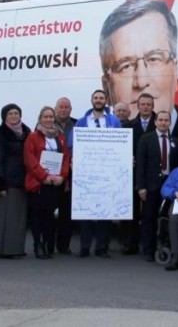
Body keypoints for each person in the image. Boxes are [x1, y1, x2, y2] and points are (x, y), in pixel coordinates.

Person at [98, 0, 178, 122]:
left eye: (153, 59)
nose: (141, 82)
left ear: (175, 71)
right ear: (106, 87)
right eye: (125, 66)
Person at [74, 90, 122, 258]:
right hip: (86, 173)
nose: (99, 100)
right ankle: (85, 247)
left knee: (105, 211)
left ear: (106, 101)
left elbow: (120, 144)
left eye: (101, 98)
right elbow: (74, 145)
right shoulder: (81, 122)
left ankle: (102, 248)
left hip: (108, 172)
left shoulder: (114, 121)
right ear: (91, 100)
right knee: (85, 211)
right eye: (96, 98)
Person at [24, 106, 70, 259]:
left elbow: (65, 158)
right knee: (38, 217)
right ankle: (38, 245)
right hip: (39, 183)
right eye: (46, 117)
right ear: (40, 119)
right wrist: (44, 176)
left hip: (54, 183)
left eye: (51, 117)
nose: (49, 119)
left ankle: (48, 245)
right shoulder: (33, 137)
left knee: (50, 216)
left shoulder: (60, 137)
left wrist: (62, 176)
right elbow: (30, 160)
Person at [136, 110, 178, 262]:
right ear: (155, 122)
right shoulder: (146, 139)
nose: (163, 123)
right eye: (160, 120)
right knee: (149, 217)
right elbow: (141, 165)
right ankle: (148, 249)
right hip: (151, 186)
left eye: (166, 120)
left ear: (170, 123)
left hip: (170, 185)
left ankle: (168, 246)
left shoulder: (176, 140)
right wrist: (141, 186)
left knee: (168, 217)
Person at [0, 103, 31, 259]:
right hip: (7, 182)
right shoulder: (0, 135)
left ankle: (17, 248)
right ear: (5, 117)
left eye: (16, 113)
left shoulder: (26, 133)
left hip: (22, 180)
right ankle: (5, 250)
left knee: (19, 218)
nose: (14, 116)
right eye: (10, 114)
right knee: (6, 218)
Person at [121, 92, 156, 255]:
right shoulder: (129, 126)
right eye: (143, 104)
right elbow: (121, 150)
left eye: (149, 104)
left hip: (152, 174)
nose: (146, 107)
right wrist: (126, 158)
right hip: (132, 173)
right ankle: (130, 243)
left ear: (153, 106)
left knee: (150, 212)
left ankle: (151, 244)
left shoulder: (160, 124)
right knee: (132, 210)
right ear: (138, 106)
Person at [54, 97, 77, 255]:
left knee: (66, 213)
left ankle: (63, 246)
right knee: (48, 212)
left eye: (66, 107)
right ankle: (47, 244)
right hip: (51, 174)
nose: (63, 109)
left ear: (70, 109)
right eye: (61, 107)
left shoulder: (76, 124)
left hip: (70, 174)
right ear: (56, 108)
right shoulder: (45, 123)